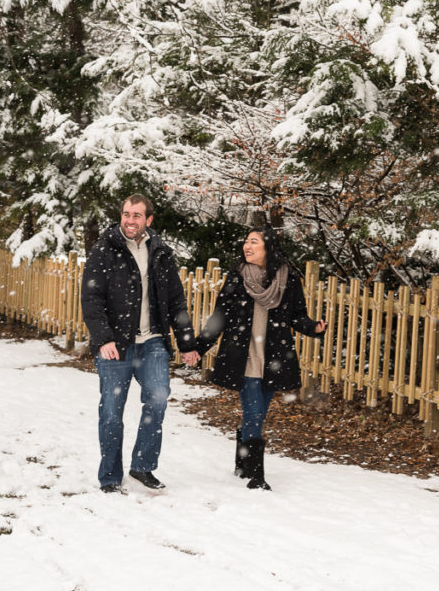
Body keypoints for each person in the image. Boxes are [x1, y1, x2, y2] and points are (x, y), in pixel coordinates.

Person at [81, 194, 200, 493]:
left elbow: (175, 301)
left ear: (148, 220)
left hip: (153, 342)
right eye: (125, 214)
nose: (130, 220)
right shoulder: (104, 250)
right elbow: (91, 299)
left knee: (158, 398)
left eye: (136, 215)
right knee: (111, 411)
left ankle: (142, 466)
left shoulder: (160, 251)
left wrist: (186, 343)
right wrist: (104, 338)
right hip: (116, 345)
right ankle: (109, 476)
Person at [194, 226, 325, 490]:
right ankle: (256, 476)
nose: (247, 246)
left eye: (254, 242)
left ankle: (242, 464)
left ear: (269, 248)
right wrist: (198, 347)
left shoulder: (287, 279)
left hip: (273, 359)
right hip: (243, 357)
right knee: (254, 413)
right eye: (246, 241)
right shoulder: (237, 277)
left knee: (257, 415)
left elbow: (297, 315)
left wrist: (313, 328)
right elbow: (219, 317)